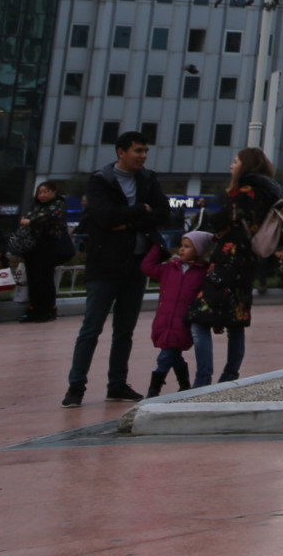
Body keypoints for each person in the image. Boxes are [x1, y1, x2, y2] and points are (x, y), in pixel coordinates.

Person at [65, 129, 172, 405]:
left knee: (124, 330)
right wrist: (140, 211)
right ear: (120, 152)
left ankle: (117, 384)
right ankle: (76, 387)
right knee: (91, 329)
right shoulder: (101, 181)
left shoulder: (148, 179)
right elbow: (104, 217)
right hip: (104, 265)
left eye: (145, 151)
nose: (143, 156)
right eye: (138, 151)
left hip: (136, 265)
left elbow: (163, 214)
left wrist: (128, 221)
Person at [191, 147, 283, 385]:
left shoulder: (242, 193)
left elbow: (218, 219)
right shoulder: (269, 194)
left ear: (245, 165)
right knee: (236, 321)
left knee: (199, 318)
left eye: (235, 161)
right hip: (248, 263)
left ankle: (203, 378)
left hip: (228, 259)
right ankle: (230, 376)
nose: (231, 165)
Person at [139, 231, 213, 395]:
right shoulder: (169, 269)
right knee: (174, 354)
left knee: (165, 356)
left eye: (187, 247)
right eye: (181, 246)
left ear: (199, 251)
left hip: (183, 323)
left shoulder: (203, 274)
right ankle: (184, 384)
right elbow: (147, 267)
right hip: (164, 321)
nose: (182, 250)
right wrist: (158, 248)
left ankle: (154, 389)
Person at [11, 180, 74, 323]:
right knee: (33, 279)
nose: (42, 195)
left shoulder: (58, 204)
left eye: (46, 191)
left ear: (54, 192)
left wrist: (31, 221)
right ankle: (33, 309)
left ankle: (47, 310)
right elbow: (25, 218)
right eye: (40, 192)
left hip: (48, 247)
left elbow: (48, 218)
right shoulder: (36, 206)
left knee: (44, 278)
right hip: (32, 247)